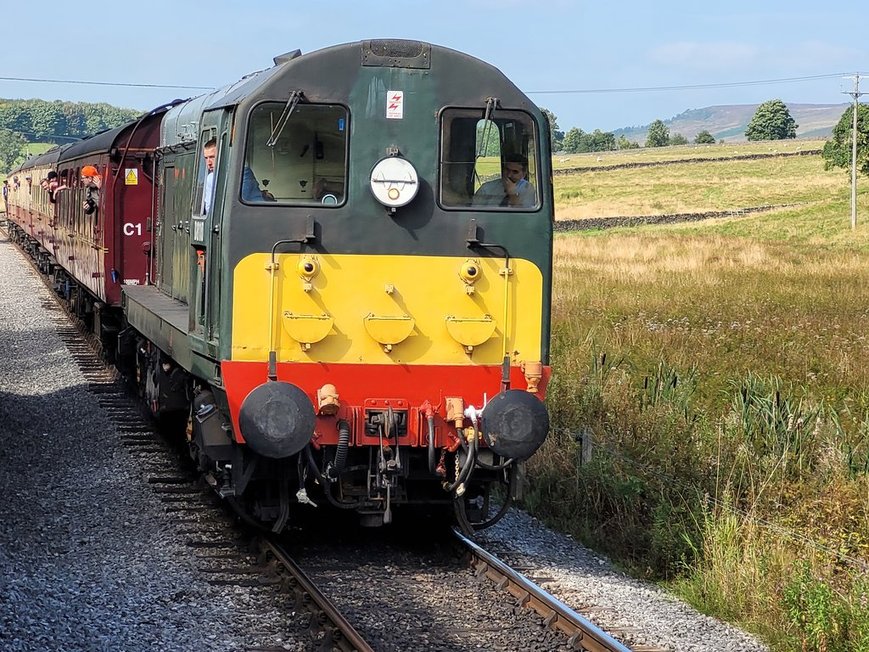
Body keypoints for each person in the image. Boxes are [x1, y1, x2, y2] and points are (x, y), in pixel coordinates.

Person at [201, 138, 217, 215]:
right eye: (206, 158)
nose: (209, 162)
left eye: (212, 157)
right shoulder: (211, 177)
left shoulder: (243, 174)